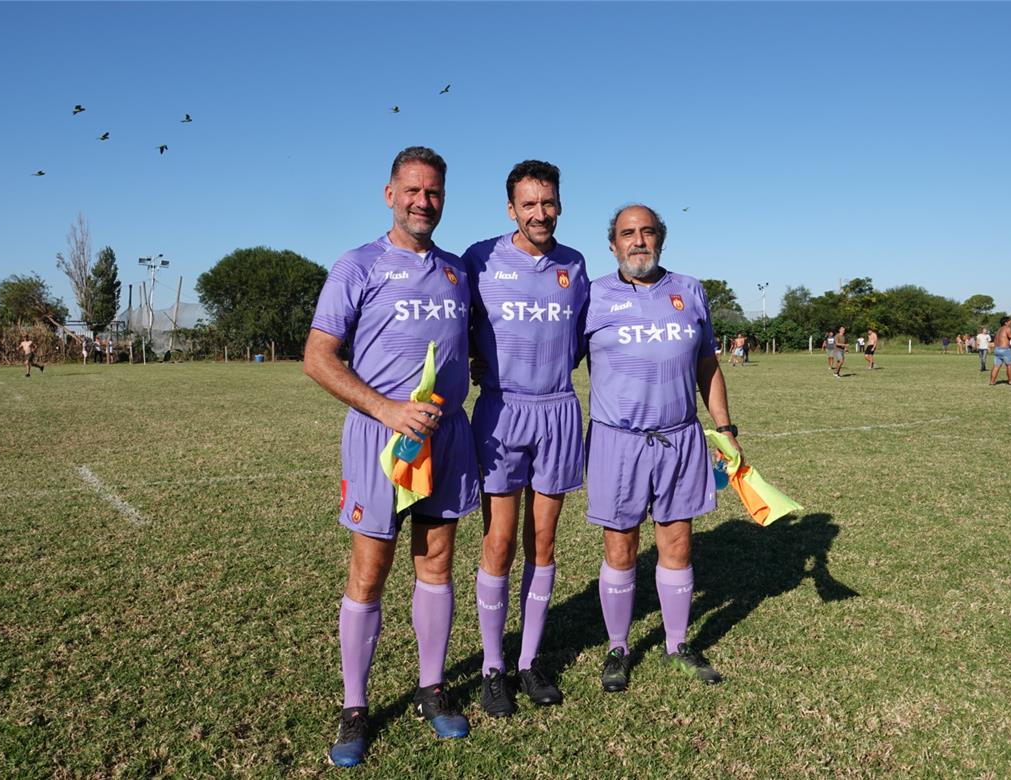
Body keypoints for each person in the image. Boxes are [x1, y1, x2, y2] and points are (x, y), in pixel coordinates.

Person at [303, 146, 479, 767]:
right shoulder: (357, 265)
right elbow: (318, 356)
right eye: (412, 190)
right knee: (369, 571)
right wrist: (386, 410)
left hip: (447, 437)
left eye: (433, 192)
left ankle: (432, 689)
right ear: (389, 194)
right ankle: (356, 706)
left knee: (436, 564)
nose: (422, 202)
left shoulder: (459, 272)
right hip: (382, 438)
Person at [584, 204, 741, 692]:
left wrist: (725, 426)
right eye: (627, 233)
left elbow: (707, 365)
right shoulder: (592, 297)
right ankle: (617, 646)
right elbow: (554, 352)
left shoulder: (689, 290)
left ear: (661, 240)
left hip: (678, 437)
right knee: (621, 544)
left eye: (647, 232)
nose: (638, 241)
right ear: (613, 244)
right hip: (617, 439)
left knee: (677, 542)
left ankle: (677, 643)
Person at [462, 160, 589, 716]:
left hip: (558, 409)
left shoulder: (575, 264)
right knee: (500, 542)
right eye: (529, 204)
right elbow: (456, 324)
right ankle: (493, 666)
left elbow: (582, 339)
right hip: (500, 409)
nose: (540, 213)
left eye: (549, 202)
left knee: (545, 543)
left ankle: (529, 660)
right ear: (511, 209)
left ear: (559, 203)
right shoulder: (480, 259)